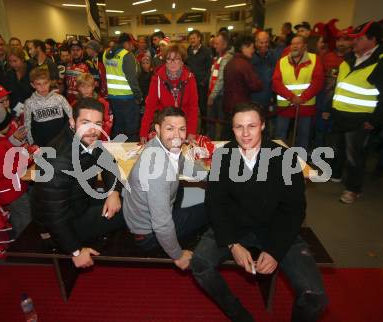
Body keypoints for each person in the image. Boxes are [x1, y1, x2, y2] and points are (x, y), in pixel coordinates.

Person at [191, 102, 328, 322]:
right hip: (235, 226)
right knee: (199, 264)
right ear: (232, 129)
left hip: (275, 228)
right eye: (239, 127)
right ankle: (239, 315)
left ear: (262, 126)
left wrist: (275, 250)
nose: (245, 134)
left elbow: (294, 210)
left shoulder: (286, 158)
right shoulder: (223, 156)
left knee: (316, 298)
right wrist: (232, 244)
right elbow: (215, 204)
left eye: (252, 126)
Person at [32, 97, 125, 268]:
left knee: (126, 197)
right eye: (85, 122)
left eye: (98, 124)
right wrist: (75, 251)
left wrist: (114, 192)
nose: (93, 130)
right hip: (62, 226)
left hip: (79, 204)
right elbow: (54, 217)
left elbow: (108, 161)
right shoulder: (57, 160)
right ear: (72, 122)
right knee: (133, 209)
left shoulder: (86, 139)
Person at [124, 107, 208, 270]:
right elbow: (162, 225)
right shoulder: (158, 171)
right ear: (157, 129)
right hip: (148, 235)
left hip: (141, 216)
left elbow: (182, 163)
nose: (177, 136)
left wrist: (210, 177)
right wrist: (178, 255)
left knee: (187, 191)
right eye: (170, 128)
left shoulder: (160, 144)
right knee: (208, 208)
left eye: (182, 129)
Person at [330, 21, 383, 204]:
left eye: (360, 38)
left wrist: (375, 120)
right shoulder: (350, 57)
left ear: (373, 40)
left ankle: (353, 189)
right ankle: (336, 174)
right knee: (339, 148)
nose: (354, 42)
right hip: (340, 114)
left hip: (361, 118)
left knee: (355, 154)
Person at [0, 104, 32, 237]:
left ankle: (19, 242)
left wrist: (13, 142)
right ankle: (26, 244)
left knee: (17, 217)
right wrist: (29, 156)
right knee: (26, 219)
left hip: (8, 190)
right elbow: (6, 169)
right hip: (13, 191)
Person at [272, 35, 324, 150]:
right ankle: (278, 159)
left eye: (298, 43)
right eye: (292, 43)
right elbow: (276, 82)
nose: (294, 46)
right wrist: (291, 97)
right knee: (280, 134)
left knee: (303, 136)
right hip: (285, 105)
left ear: (305, 46)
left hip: (305, 106)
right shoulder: (282, 61)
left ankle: (300, 162)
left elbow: (318, 81)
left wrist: (303, 98)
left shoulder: (314, 59)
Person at [140, 44, 198, 143]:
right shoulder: (156, 79)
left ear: (182, 61)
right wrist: (143, 132)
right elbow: (149, 107)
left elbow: (193, 107)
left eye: (176, 59)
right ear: (165, 62)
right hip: (165, 125)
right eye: (169, 59)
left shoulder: (190, 78)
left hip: (183, 125)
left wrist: (192, 131)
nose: (172, 63)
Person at [103, 33, 142, 141]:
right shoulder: (127, 55)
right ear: (126, 43)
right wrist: (139, 96)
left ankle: (116, 154)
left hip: (113, 97)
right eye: (131, 44)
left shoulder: (106, 54)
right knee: (131, 129)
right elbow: (132, 79)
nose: (132, 47)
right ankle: (131, 155)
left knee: (117, 128)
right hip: (128, 98)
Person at [222, 35, 262, 140]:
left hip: (228, 105)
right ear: (244, 47)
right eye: (252, 47)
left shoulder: (230, 63)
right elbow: (255, 85)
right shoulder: (244, 64)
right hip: (241, 105)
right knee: (240, 136)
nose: (253, 51)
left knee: (230, 134)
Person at [24, 68, 72, 146]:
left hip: (61, 142)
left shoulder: (60, 98)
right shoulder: (29, 103)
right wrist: (32, 143)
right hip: (42, 144)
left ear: (50, 82)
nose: (43, 87)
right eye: (38, 84)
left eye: (45, 83)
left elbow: (71, 117)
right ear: (33, 85)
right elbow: (27, 125)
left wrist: (70, 138)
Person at [207, 31, 234, 140]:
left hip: (220, 97)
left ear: (225, 44)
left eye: (217, 44)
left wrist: (212, 96)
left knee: (219, 124)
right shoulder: (219, 57)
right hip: (215, 95)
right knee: (212, 122)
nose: (214, 46)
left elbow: (221, 80)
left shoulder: (227, 58)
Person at [251, 31, 279, 137]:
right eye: (261, 42)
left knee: (267, 130)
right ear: (256, 42)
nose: (264, 45)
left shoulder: (274, 56)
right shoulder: (251, 56)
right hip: (254, 99)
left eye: (266, 42)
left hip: (269, 99)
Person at [186, 30, 213, 133]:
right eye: (190, 38)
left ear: (199, 38)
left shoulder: (207, 51)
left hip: (202, 85)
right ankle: (191, 127)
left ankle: (204, 129)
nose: (192, 40)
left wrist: (204, 82)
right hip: (190, 85)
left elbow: (210, 68)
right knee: (190, 107)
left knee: (202, 108)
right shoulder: (188, 51)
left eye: (194, 38)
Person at [75, 73, 113, 138]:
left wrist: (101, 138)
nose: (86, 89)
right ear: (78, 88)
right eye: (83, 86)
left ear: (93, 87)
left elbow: (108, 122)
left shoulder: (103, 103)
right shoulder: (75, 104)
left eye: (88, 86)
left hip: (99, 138)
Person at [65, 39, 93, 105]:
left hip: (82, 99)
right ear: (70, 51)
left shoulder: (88, 64)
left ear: (82, 51)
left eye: (78, 50)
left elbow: (94, 84)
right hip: (68, 99)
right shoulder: (67, 64)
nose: (75, 52)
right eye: (73, 50)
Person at [6, 47, 34, 111]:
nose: (13, 64)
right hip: (15, 109)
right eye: (10, 61)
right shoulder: (9, 74)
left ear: (22, 59)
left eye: (15, 61)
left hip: (31, 108)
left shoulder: (32, 71)